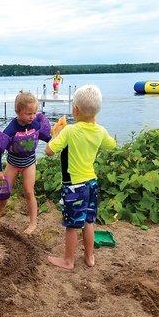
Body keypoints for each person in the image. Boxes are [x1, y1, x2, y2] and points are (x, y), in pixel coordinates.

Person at [45, 84, 116, 270]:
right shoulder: (100, 131)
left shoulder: (70, 131)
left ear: (75, 110)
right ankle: (89, 257)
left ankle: (68, 261)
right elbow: (112, 145)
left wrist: (56, 134)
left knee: (72, 225)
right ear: (97, 111)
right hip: (92, 183)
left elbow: (49, 151)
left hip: (74, 185)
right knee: (88, 221)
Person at [0, 92, 51, 234]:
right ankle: (1, 211)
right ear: (18, 111)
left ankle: (33, 222)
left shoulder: (35, 124)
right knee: (3, 190)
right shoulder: (11, 129)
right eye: (29, 113)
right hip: (13, 163)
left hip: (29, 163)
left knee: (29, 191)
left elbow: (46, 137)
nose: (32, 116)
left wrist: (55, 141)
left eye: (34, 112)